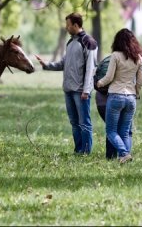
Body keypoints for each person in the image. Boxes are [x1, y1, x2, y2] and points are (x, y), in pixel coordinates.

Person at [35, 12, 98, 155]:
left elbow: (91, 68)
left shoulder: (89, 42)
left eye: (68, 25)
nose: (66, 27)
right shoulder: (70, 43)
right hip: (68, 90)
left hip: (81, 91)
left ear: (76, 25)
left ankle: (86, 152)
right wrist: (46, 64)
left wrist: (86, 90)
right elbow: (63, 63)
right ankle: (78, 150)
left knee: (84, 123)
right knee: (74, 123)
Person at [95, 28, 142, 163]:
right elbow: (140, 81)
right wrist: (136, 92)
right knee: (125, 132)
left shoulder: (115, 56)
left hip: (116, 95)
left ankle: (124, 153)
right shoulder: (138, 58)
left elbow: (109, 77)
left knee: (111, 131)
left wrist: (99, 83)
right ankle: (125, 158)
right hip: (131, 98)